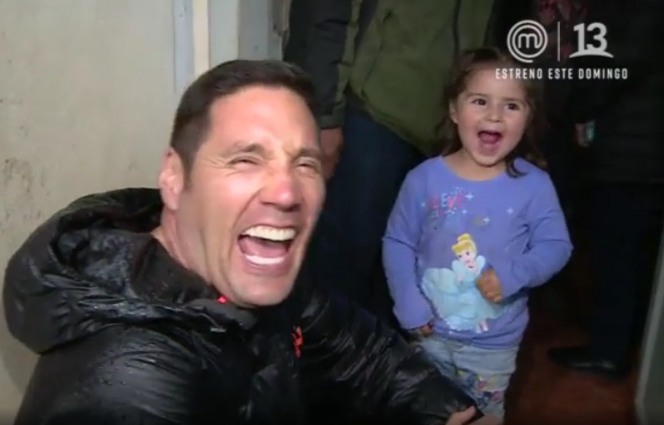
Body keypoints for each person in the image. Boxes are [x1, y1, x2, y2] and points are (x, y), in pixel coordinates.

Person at [3, 59, 498, 425]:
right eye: (245, 160)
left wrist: (451, 413)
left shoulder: (254, 274)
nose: (286, 193)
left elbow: (357, 349)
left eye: (304, 163)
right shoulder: (129, 384)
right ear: (174, 178)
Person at [283, 0, 527, 316]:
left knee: (407, 280)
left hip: (448, 128)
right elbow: (327, 11)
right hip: (372, 112)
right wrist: (324, 113)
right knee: (339, 275)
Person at [382, 48, 573, 422]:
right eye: (480, 101)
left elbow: (556, 246)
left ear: (528, 118)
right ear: (454, 110)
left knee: (482, 417)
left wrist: (515, 274)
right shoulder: (423, 179)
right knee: (425, 413)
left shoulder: (535, 186)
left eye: (511, 106)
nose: (494, 115)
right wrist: (407, 301)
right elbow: (398, 241)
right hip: (426, 336)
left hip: (493, 346)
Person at [548, 0, 664, 379]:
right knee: (633, 255)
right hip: (642, 148)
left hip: (632, 150)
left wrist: (575, 107)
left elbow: (616, 64)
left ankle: (608, 351)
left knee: (616, 254)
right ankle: (626, 343)